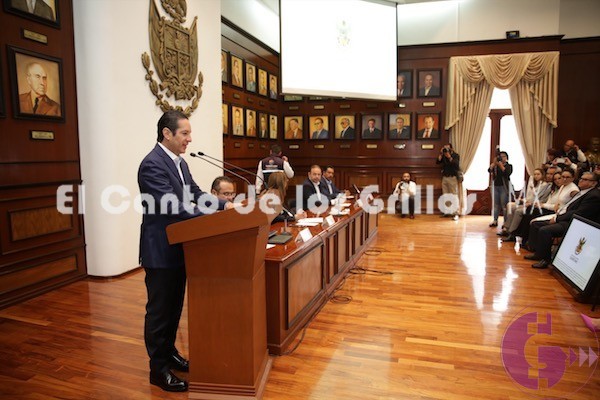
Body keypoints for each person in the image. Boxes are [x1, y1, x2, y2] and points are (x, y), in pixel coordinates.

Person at [138, 110, 229, 392]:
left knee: (174, 307)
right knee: (160, 312)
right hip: (161, 250)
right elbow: (174, 207)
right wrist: (216, 212)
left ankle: (170, 353)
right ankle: (158, 369)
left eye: (189, 133)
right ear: (167, 133)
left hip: (181, 247)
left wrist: (225, 205)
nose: (190, 139)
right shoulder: (152, 165)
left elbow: (196, 194)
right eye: (185, 133)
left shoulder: (180, 163)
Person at [524, 172, 600, 269]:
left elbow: (578, 213)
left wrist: (557, 218)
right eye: (581, 178)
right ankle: (538, 253)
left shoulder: (594, 195)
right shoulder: (582, 192)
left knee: (545, 230)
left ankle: (545, 260)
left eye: (585, 179)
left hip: (576, 224)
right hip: (565, 217)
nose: (581, 180)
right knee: (536, 224)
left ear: (594, 183)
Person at [500, 168, 549, 239]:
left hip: (534, 205)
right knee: (510, 206)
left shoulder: (544, 185)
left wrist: (530, 201)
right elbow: (529, 197)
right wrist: (523, 200)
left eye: (538, 174)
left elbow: (538, 196)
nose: (536, 176)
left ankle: (512, 232)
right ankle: (506, 228)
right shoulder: (534, 184)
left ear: (542, 175)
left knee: (518, 211)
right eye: (535, 174)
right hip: (528, 202)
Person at [488, 150, 513, 228]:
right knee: (496, 205)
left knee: (504, 206)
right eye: (500, 156)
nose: (501, 158)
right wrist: (494, 164)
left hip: (504, 187)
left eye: (503, 156)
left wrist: (500, 165)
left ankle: (506, 222)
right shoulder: (496, 166)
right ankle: (495, 220)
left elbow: (507, 173)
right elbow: (489, 170)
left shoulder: (509, 166)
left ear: (507, 158)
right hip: (495, 186)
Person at [435, 144, 460, 218]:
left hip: (452, 177)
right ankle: (447, 212)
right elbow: (438, 162)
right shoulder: (443, 156)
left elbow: (456, 165)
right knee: (445, 195)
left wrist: (449, 157)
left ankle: (455, 212)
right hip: (445, 177)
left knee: (453, 195)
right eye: (445, 148)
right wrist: (441, 153)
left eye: (447, 148)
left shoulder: (455, 155)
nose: (446, 149)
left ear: (451, 149)